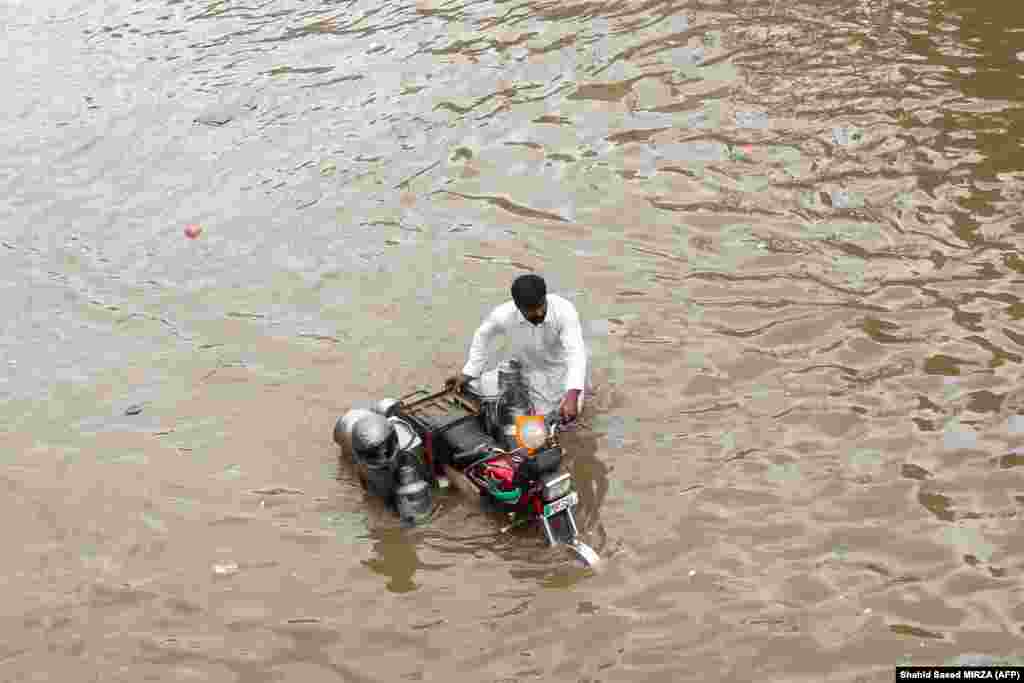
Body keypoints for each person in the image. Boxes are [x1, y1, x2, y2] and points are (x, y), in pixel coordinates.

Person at [448, 274, 587, 424]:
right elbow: (482, 336)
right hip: (524, 371)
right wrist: (469, 372)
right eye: (532, 309)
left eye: (541, 305)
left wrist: (572, 395)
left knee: (549, 424)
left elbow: (576, 355)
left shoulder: (564, 311)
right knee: (476, 393)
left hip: (560, 377)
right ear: (518, 306)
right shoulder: (503, 315)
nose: (539, 313)